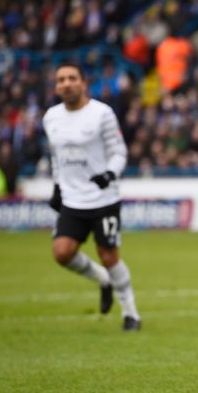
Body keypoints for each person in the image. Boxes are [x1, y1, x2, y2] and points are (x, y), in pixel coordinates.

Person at [44, 63, 141, 331]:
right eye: (61, 79)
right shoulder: (51, 117)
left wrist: (110, 174)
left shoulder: (101, 113)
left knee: (109, 255)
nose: (66, 83)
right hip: (72, 199)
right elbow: (56, 158)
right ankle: (103, 279)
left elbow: (119, 152)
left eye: (72, 78)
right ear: (56, 86)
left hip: (103, 198)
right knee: (62, 253)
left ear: (83, 83)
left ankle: (131, 313)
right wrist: (56, 186)